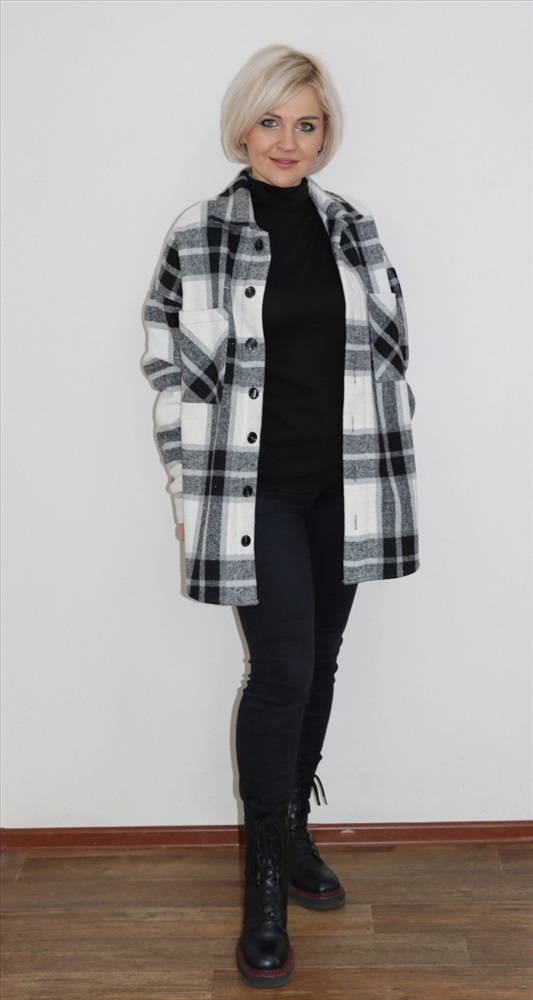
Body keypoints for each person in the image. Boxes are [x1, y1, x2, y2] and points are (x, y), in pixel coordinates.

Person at [142, 44, 419, 990]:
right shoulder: (200, 234)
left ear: (324, 132)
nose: (287, 141)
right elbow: (170, 374)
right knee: (282, 673)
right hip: (251, 492)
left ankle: (292, 831)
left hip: (348, 485)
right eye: (270, 121)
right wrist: (188, 495)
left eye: (306, 123)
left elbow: (391, 360)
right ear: (243, 126)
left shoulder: (355, 230)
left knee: (320, 664)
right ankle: (262, 877)